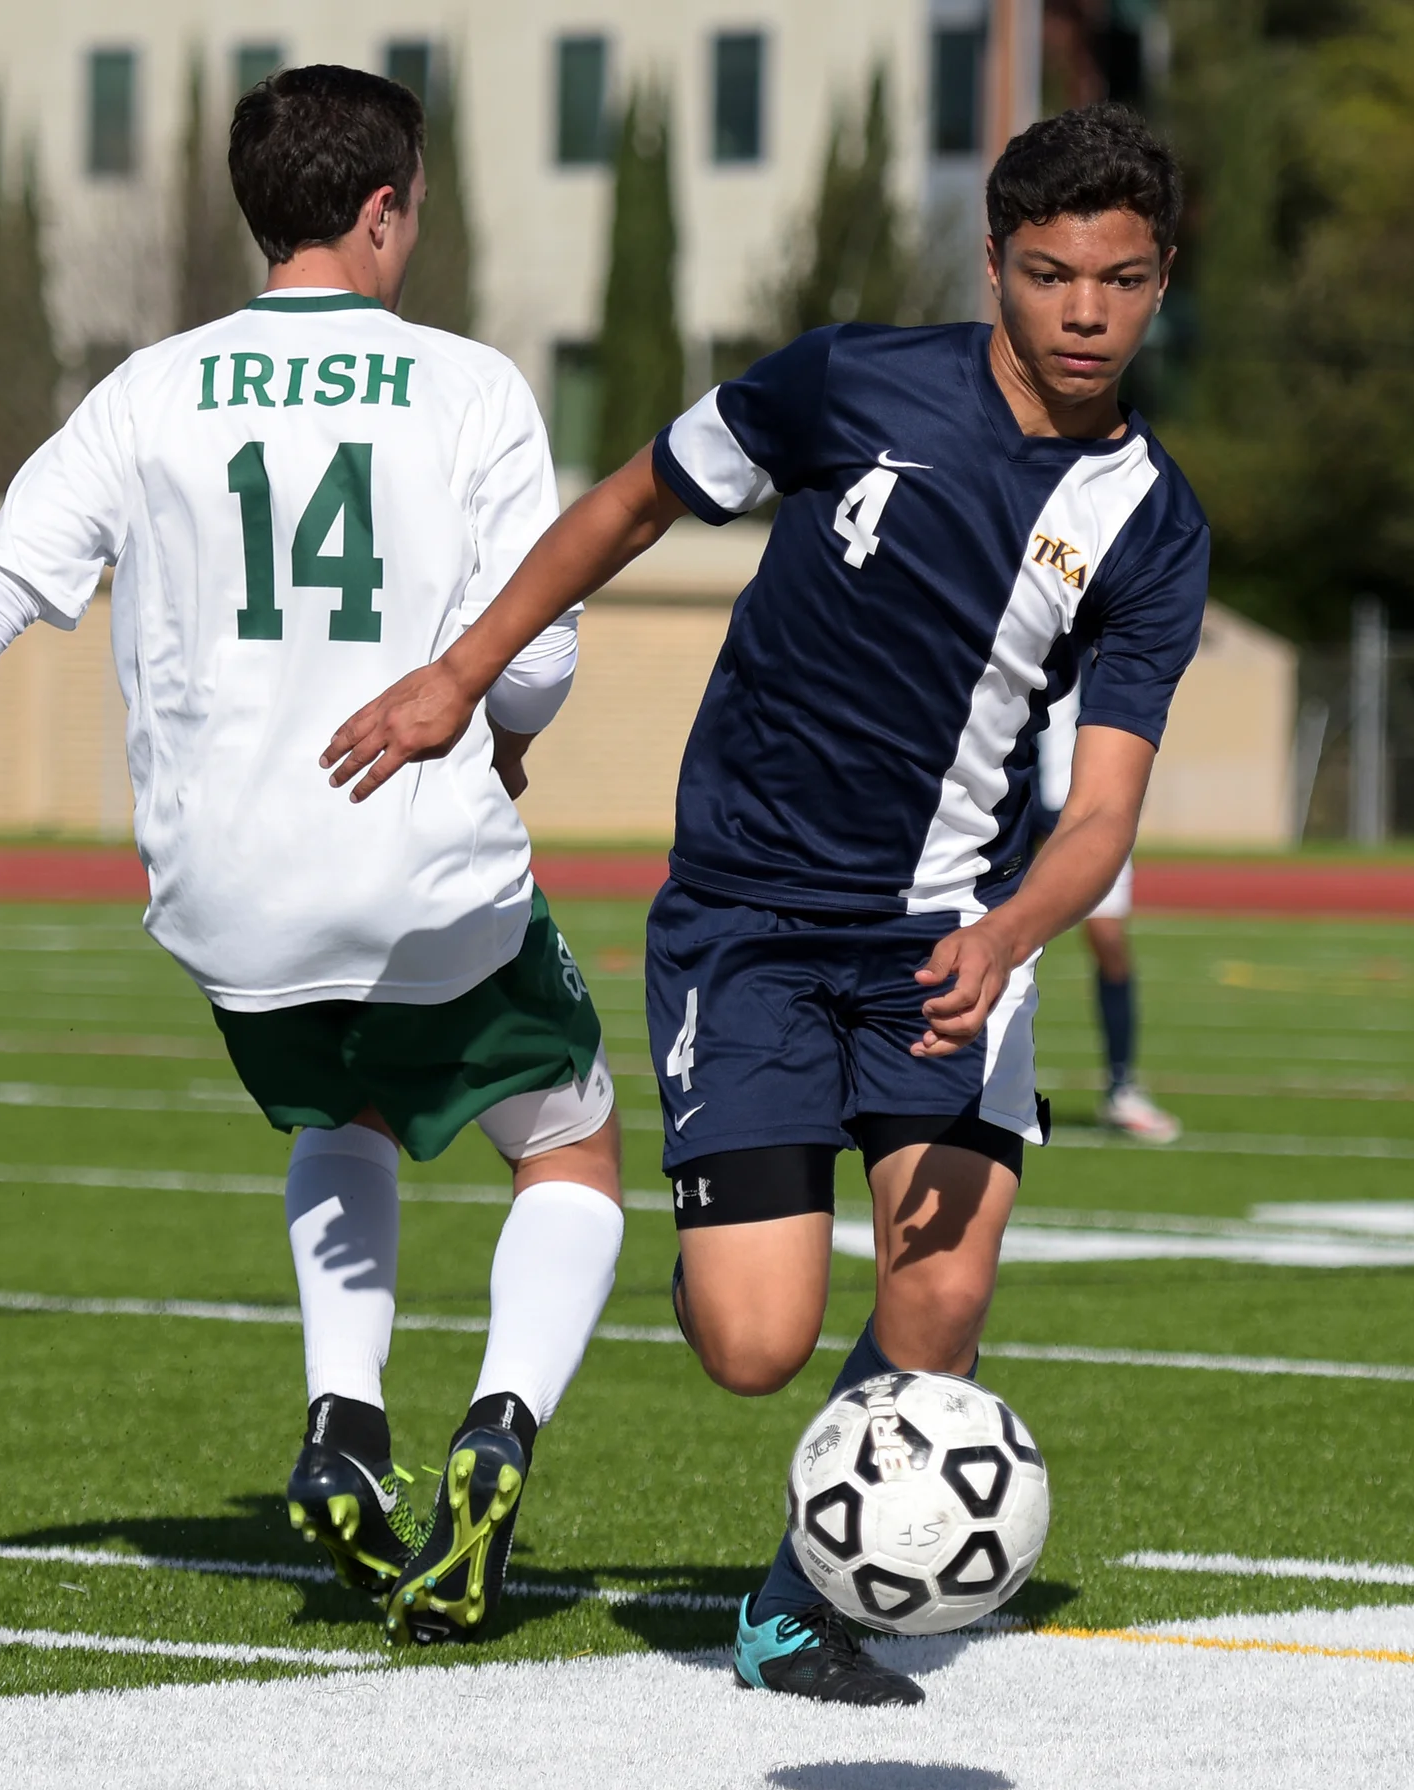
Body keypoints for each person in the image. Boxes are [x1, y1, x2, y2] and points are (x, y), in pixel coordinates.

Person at [323, 103, 1208, 1702]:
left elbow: (1102, 816)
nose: (1087, 312)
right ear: (994, 263)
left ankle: (798, 1598)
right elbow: (628, 503)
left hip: (950, 934)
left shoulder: (1153, 523)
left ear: (1163, 280)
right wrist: (463, 673)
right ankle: (739, 1215)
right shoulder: (846, 381)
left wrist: (1009, 933)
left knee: (942, 1291)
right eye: (1051, 273)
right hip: (749, 921)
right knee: (753, 1342)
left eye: (1124, 280)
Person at [0, 67, 623, 1646]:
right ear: (383, 210)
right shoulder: (473, 385)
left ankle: (345, 1420)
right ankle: (497, 1428)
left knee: (337, 1106)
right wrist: (504, 733)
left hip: (228, 893)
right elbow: (539, 654)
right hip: (422, 867)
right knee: (570, 1147)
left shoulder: (146, 391)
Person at [1038, 681, 1180, 1143]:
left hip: (1089, 817)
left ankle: (1121, 1087)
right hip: (1015, 813)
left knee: (1110, 944)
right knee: (979, 936)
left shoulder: (1102, 662)